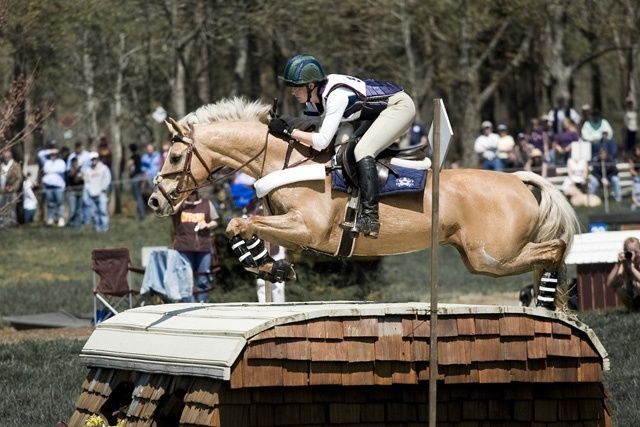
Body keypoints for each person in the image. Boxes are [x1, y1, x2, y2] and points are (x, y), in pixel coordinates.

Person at [268, 54, 416, 238]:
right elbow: (311, 127)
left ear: (311, 85)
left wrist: (287, 131)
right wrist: (283, 121)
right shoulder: (316, 99)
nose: (293, 92)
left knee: (363, 150)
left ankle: (371, 216)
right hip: (376, 113)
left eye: (296, 88)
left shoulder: (336, 96)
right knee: (347, 144)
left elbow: (321, 142)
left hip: (399, 107)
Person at [171, 191, 219, 302]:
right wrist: (181, 199)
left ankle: (202, 303)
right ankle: (188, 304)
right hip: (183, 247)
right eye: (189, 192)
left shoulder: (207, 203)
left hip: (203, 247)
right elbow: (171, 211)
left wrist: (207, 225)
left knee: (203, 278)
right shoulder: (180, 205)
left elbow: (215, 221)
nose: (191, 194)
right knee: (185, 278)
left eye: (194, 192)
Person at [606, 237, 640, 310]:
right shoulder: (625, 262)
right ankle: (633, 309)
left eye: (635, 251)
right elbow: (609, 283)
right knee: (619, 288)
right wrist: (618, 263)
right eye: (629, 252)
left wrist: (631, 268)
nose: (632, 254)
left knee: (638, 284)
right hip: (632, 294)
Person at [82, 152, 112, 232]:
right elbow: (87, 182)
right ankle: (97, 227)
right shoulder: (88, 170)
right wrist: (88, 191)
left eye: (95, 159)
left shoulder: (104, 168)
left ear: (97, 159)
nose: (93, 161)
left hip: (101, 193)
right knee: (94, 212)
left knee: (103, 211)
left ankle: (105, 227)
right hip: (92, 194)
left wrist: (103, 188)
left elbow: (107, 179)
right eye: (92, 159)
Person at [588, 132, 622, 202]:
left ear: (606, 154)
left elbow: (615, 171)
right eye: (601, 154)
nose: (602, 155)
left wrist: (608, 179)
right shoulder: (596, 160)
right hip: (600, 179)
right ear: (599, 154)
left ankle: (618, 199)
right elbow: (594, 172)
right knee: (593, 181)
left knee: (615, 179)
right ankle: (591, 199)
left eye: (604, 154)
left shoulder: (610, 160)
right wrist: (601, 179)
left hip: (609, 178)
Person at [38, 147, 67, 226]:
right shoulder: (46, 162)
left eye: (54, 154)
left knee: (59, 203)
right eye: (51, 154)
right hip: (48, 187)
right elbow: (40, 154)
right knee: (50, 204)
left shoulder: (61, 162)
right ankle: (50, 218)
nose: (53, 156)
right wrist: (49, 150)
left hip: (58, 187)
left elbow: (62, 173)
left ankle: (60, 219)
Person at [0, 148, 22, 227]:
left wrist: (13, 187)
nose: (5, 155)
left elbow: (19, 179)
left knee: (11, 208)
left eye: (7, 153)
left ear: (10, 154)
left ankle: (12, 223)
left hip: (11, 191)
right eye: (4, 153)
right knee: (3, 208)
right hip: (2, 191)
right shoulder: (1, 166)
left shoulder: (16, 165)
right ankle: (3, 224)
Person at [128, 143, 146, 219]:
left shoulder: (134, 156)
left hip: (136, 177)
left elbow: (129, 164)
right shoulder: (138, 156)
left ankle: (141, 214)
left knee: (138, 196)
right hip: (139, 176)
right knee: (139, 196)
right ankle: (141, 212)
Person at [66, 157, 85, 227]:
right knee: (72, 210)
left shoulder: (81, 171)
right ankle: (70, 223)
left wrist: (81, 174)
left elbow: (82, 179)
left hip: (80, 192)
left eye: (76, 162)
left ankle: (77, 225)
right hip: (72, 193)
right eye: (73, 162)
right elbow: (73, 178)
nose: (75, 164)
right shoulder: (69, 171)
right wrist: (78, 169)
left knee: (79, 210)